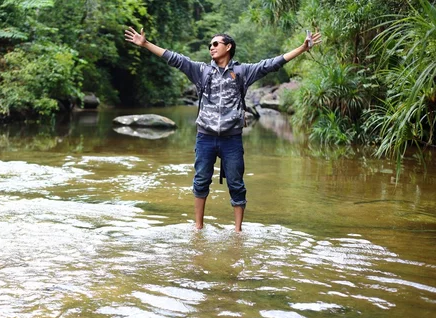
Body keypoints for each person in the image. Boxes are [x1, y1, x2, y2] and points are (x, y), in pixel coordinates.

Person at [124, 27, 321, 231]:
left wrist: (301, 48)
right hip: (205, 137)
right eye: (210, 45)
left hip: (232, 139)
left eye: (215, 44)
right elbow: (176, 59)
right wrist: (146, 44)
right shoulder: (202, 71)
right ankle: (198, 228)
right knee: (200, 181)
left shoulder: (242, 72)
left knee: (236, 184)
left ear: (228, 47)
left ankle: (238, 232)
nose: (211, 47)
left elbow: (271, 64)